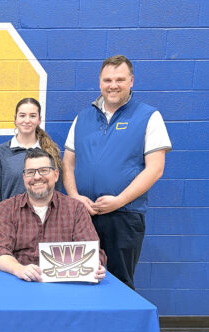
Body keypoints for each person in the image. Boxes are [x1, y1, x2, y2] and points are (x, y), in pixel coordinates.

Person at [62, 55, 171, 289]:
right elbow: (68, 163)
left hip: (124, 215)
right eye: (107, 80)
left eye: (119, 79)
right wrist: (74, 196)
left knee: (120, 284)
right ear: (100, 82)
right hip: (83, 215)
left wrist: (119, 200)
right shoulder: (83, 117)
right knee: (79, 280)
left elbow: (155, 169)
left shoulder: (148, 116)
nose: (113, 85)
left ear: (131, 81)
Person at [0, 148, 106, 282]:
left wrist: (95, 265)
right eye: (30, 172)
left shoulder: (76, 209)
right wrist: (19, 269)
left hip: (63, 285)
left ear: (56, 175)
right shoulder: (6, 209)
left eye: (44, 170)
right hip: (18, 282)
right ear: (24, 177)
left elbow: (91, 250)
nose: (37, 177)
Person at [0, 97, 62, 216]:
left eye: (32, 116)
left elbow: (57, 193)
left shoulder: (51, 151)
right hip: (10, 219)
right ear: (15, 119)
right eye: (22, 115)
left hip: (44, 220)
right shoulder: (1, 153)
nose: (27, 120)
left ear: (39, 120)